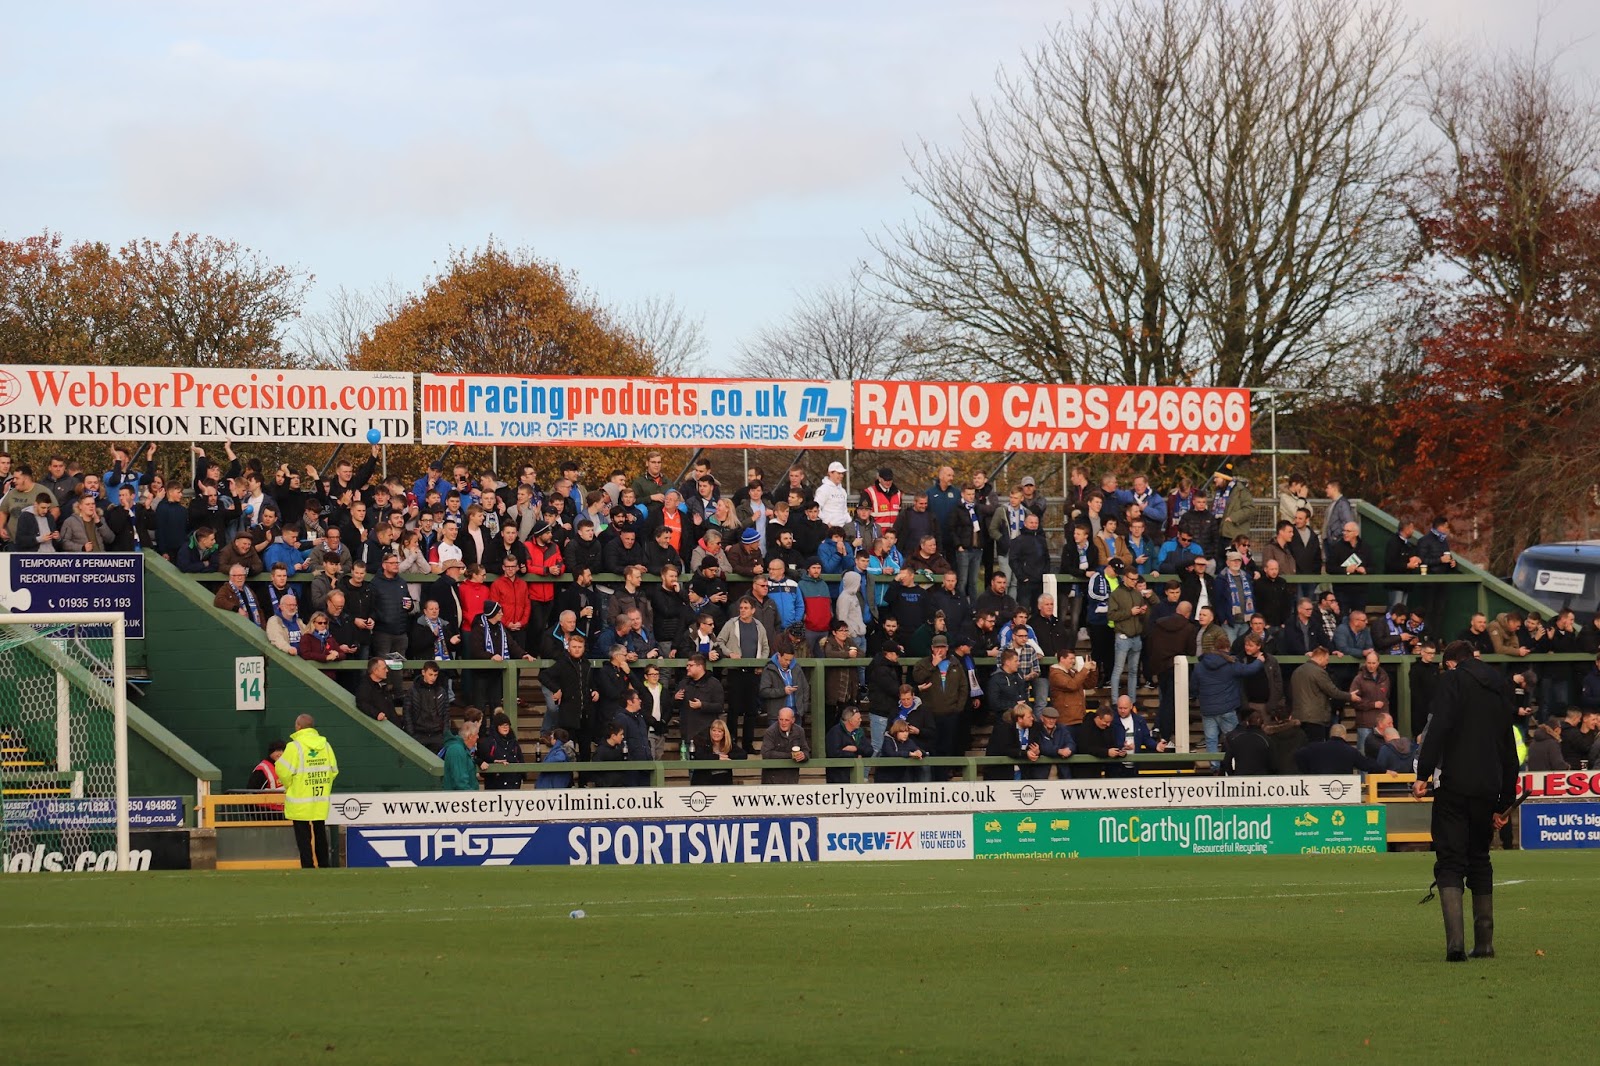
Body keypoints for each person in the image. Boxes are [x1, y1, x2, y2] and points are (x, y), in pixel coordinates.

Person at [1414, 640, 1519, 962]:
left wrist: (1424, 773)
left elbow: (1439, 728)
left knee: (1450, 860)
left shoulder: (1453, 680)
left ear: (1450, 662)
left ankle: (1455, 945)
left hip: (1455, 784)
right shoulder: (1500, 685)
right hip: (1488, 786)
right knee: (1480, 858)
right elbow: (1508, 746)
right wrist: (1505, 800)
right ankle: (1485, 943)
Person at [275, 714, 338, 869]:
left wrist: (289, 785)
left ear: (298, 726)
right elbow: (333, 770)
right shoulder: (326, 745)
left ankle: (308, 866)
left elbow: (282, 770)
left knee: (303, 836)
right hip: (319, 797)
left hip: (300, 798)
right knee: (320, 832)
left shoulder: (294, 747)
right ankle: (324, 864)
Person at [689, 718, 748, 785]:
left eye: (719, 731)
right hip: (704, 781)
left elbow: (743, 754)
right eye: (714, 730)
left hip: (723, 780)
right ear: (710, 731)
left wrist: (727, 756)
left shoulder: (729, 744)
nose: (716, 733)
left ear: (724, 734)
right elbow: (699, 756)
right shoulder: (703, 742)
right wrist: (717, 757)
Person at [760, 707, 810, 784]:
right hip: (772, 779)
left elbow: (806, 750)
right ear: (778, 719)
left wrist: (803, 756)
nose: (783, 723)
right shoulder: (770, 732)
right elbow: (766, 754)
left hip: (792, 777)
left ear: (793, 720)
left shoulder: (799, 731)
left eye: (787, 720)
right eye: (781, 719)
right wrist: (791, 755)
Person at [478, 710, 524, 790]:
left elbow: (520, 759)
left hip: (514, 784)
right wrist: (494, 761)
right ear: (496, 727)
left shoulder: (514, 742)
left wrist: (522, 775)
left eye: (507, 725)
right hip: (495, 785)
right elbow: (480, 757)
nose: (505, 727)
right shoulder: (489, 742)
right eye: (502, 725)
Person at [441, 708, 483, 790]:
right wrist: (473, 797)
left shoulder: (462, 749)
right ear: (470, 736)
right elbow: (460, 782)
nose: (478, 737)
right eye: (476, 735)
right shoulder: (457, 750)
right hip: (461, 800)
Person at [825, 707, 869, 783]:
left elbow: (869, 750)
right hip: (838, 778)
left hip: (856, 776)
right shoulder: (835, 732)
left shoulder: (860, 732)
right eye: (858, 719)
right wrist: (855, 755)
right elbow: (834, 753)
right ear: (850, 720)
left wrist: (855, 749)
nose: (861, 720)